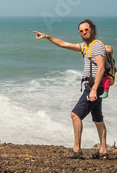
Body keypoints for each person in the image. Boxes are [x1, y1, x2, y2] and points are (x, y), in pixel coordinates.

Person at [33, 19, 111, 159]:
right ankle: (103, 152)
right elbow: (64, 44)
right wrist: (47, 36)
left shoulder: (96, 46)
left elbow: (101, 68)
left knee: (75, 115)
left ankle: (76, 151)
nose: (83, 33)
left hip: (94, 87)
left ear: (92, 29)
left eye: (86, 30)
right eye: (81, 31)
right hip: (95, 87)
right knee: (98, 120)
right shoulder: (86, 46)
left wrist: (93, 90)